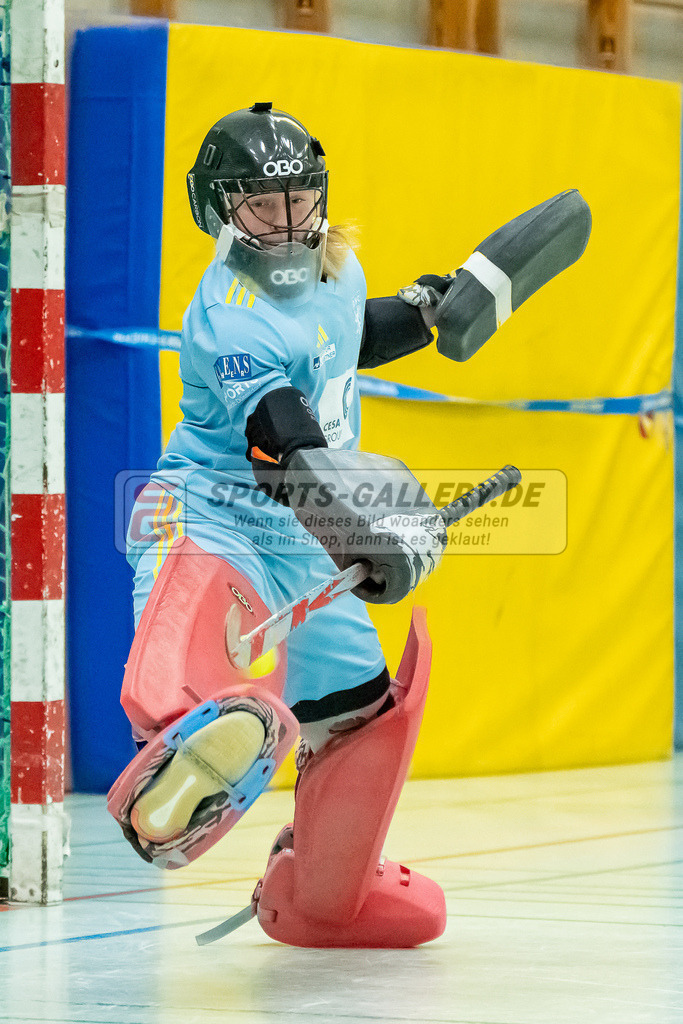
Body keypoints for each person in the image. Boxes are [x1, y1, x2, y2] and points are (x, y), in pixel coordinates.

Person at [107, 102, 590, 948]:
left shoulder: (338, 269)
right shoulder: (226, 312)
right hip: (215, 517)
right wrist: (373, 528)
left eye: (299, 199)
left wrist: (429, 307)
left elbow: (345, 340)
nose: (288, 219)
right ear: (217, 209)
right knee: (188, 676)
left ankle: (327, 898)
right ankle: (184, 728)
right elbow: (285, 430)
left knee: (364, 714)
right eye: (262, 202)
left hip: (304, 536)